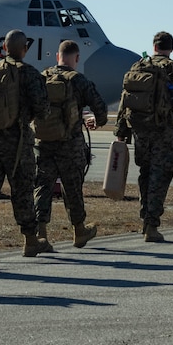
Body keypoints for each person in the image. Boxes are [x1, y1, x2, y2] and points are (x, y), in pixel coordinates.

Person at [0, 29, 51, 257]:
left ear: (4, 48)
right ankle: (31, 240)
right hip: (17, 143)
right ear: (25, 49)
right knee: (23, 191)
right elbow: (43, 110)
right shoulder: (30, 73)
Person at [114, 31, 173, 242]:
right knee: (160, 175)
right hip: (164, 131)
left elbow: (125, 100)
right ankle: (151, 225)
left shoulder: (138, 66)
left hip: (140, 131)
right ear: (171, 48)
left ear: (154, 47)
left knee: (145, 173)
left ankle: (145, 218)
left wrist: (121, 132)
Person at [33, 40, 107, 249]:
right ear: (77, 58)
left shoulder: (42, 77)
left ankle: (40, 234)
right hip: (70, 145)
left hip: (43, 143)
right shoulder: (79, 80)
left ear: (58, 56)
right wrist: (96, 121)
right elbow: (100, 109)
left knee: (42, 187)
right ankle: (79, 230)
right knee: (72, 188)